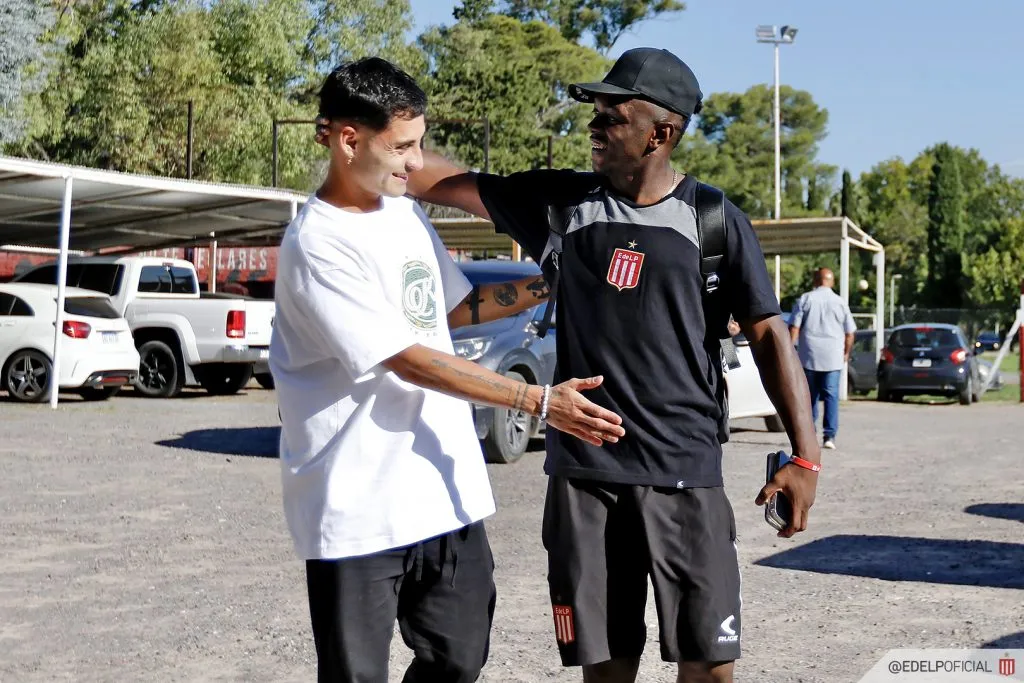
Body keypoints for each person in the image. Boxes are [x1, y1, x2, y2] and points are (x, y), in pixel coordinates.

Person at [409, 47, 821, 683]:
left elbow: (770, 337)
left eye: (612, 115)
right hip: (586, 481)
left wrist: (805, 456)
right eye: (594, 113)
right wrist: (379, 149)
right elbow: (443, 181)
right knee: (605, 668)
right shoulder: (561, 206)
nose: (595, 127)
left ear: (661, 132)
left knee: (710, 664)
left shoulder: (713, 220)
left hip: (684, 472)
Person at [269, 57, 625, 683]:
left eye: (419, 143)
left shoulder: (403, 214)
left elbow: (446, 315)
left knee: (460, 659)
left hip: (442, 495)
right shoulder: (316, 243)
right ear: (349, 141)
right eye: (403, 146)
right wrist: (536, 400)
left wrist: (545, 285)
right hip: (356, 508)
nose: (417, 163)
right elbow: (406, 357)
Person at [789, 267, 856, 450]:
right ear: (831, 281)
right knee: (831, 396)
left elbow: (794, 328)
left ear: (815, 280)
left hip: (808, 356)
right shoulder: (840, 302)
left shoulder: (805, 299)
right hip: (833, 358)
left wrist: (790, 351)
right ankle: (829, 436)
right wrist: (846, 352)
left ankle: (808, 436)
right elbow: (850, 332)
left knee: (808, 396)